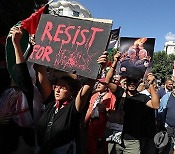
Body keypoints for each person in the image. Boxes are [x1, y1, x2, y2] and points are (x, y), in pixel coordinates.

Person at [10, 26, 108, 154]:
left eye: (63, 88)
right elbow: (40, 70)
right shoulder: (50, 102)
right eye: (56, 86)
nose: (57, 90)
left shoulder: (74, 109)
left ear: (72, 92)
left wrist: (98, 68)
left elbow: (87, 88)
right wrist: (33, 47)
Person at [105, 52, 160, 154]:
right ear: (126, 81)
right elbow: (107, 82)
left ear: (138, 82)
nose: (132, 83)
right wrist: (115, 62)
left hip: (132, 140)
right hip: (115, 137)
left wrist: (151, 84)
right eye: (129, 80)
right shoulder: (120, 92)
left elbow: (156, 105)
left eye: (134, 81)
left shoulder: (142, 97)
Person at [85, 78, 116, 154]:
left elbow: (112, 112)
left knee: (105, 147)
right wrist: (85, 121)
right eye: (98, 82)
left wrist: (105, 110)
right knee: (91, 146)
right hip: (93, 124)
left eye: (102, 83)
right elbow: (89, 109)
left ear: (107, 86)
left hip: (104, 125)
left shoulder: (111, 97)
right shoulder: (94, 95)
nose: (99, 84)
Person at [158, 81, 175, 154]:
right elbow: (160, 112)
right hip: (167, 128)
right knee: (163, 149)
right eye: (174, 87)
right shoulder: (166, 96)